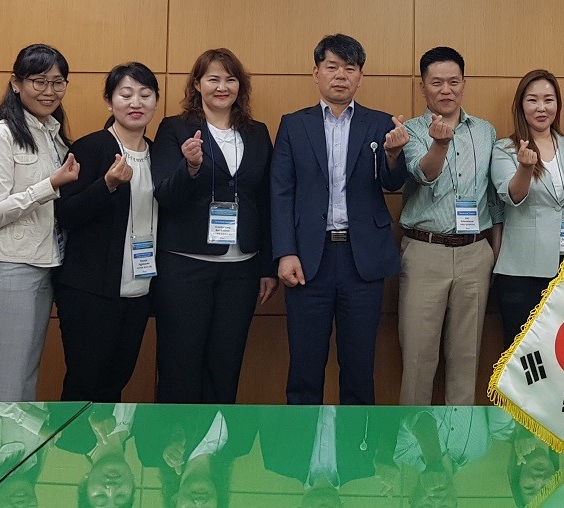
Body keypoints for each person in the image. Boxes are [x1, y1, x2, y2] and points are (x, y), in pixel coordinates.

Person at [270, 33, 409, 405]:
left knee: (360, 367)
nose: (340, 75)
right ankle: (301, 445)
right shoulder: (293, 125)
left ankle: (357, 446)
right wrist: (285, 252)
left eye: (350, 68)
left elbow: (393, 183)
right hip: (307, 259)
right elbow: (280, 192)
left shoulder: (379, 123)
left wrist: (394, 155)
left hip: (361, 259)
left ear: (360, 76)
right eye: (331, 67)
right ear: (316, 73)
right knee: (304, 367)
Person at [149, 48, 277, 404]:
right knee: (180, 363)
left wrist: (267, 267)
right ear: (197, 84)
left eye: (230, 79)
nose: (222, 87)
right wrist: (189, 168)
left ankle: (217, 439)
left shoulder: (257, 132)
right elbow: (164, 195)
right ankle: (175, 439)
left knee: (226, 364)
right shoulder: (175, 129)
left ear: (240, 86)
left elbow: (266, 201)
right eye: (213, 79)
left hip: (242, 268)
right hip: (185, 265)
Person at [54, 63, 163, 402]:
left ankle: (105, 440)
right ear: (109, 100)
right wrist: (107, 185)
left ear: (156, 101)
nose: (136, 103)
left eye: (145, 95)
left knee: (116, 382)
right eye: (126, 94)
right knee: (85, 383)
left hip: (140, 287)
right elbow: (65, 214)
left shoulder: (160, 153)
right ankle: (71, 439)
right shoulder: (90, 148)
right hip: (90, 289)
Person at [0, 44, 77, 402]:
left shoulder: (54, 134)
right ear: (16, 83)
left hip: (45, 262)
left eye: (58, 82)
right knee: (8, 376)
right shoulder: (1, 134)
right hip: (8, 264)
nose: (49, 91)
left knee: (25, 374)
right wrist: (50, 185)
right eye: (39, 81)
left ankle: (17, 441)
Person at [398, 46, 498, 405]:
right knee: (418, 358)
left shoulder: (485, 131)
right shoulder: (411, 130)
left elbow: (494, 198)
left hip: (475, 252)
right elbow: (423, 174)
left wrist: (493, 253)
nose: (446, 90)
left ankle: (461, 438)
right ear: (422, 86)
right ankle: (411, 439)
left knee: (466, 359)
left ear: (464, 84)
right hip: (425, 251)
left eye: (453, 82)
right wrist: (440, 144)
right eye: (436, 82)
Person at [490, 69, 564, 349]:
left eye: (549, 100)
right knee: (521, 351)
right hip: (522, 267)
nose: (541, 108)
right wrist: (525, 167)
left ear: (558, 104)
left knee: (563, 351)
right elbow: (512, 196)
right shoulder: (505, 148)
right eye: (532, 100)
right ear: (521, 105)